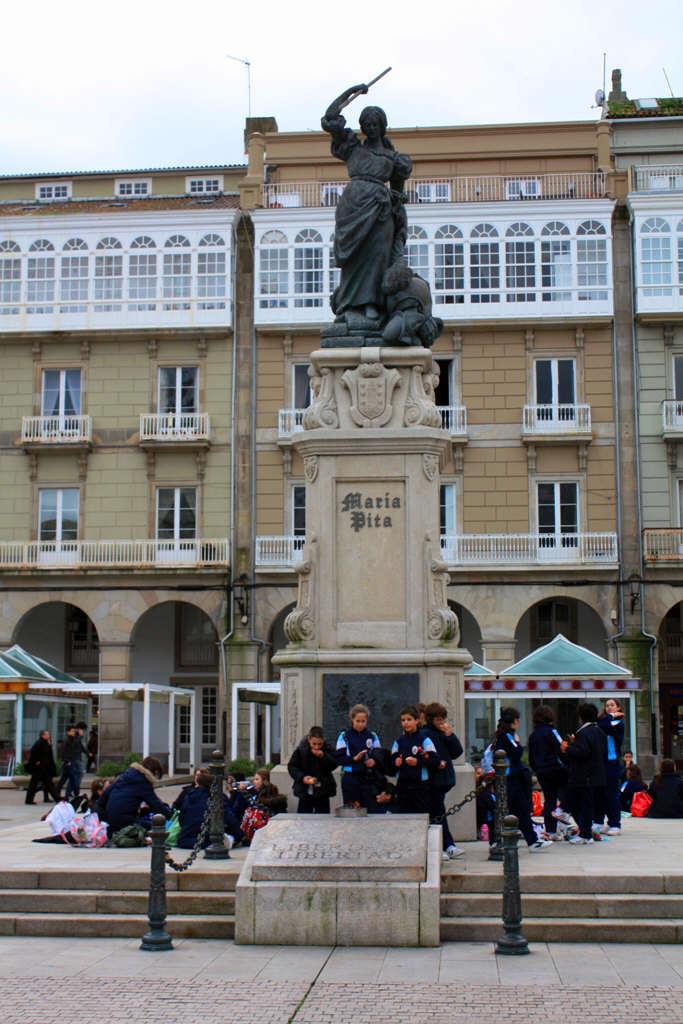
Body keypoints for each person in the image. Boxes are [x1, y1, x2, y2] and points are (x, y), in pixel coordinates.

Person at [321, 86, 412, 328]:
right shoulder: (352, 148)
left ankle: (372, 304)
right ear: (362, 127)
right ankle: (349, 305)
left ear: (382, 126)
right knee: (353, 259)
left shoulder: (394, 159)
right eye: (367, 124)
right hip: (352, 206)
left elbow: (398, 192)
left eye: (375, 124)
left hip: (380, 208)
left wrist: (398, 214)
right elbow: (330, 118)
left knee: (377, 256)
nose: (371, 128)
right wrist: (350, 94)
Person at [493, 707, 550, 852]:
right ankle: (496, 840)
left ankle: (532, 841)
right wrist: (517, 743)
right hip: (509, 778)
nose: (518, 722)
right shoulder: (506, 737)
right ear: (512, 722)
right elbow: (516, 753)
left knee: (521, 810)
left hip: (513, 779)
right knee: (506, 809)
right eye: (517, 720)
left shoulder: (505, 736)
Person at [422, 702, 465, 859]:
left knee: (438, 812)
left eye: (442, 719)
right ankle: (445, 845)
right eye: (438, 720)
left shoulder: (443, 734)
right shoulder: (426, 734)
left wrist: (450, 736)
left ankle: (447, 845)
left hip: (443, 780)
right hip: (433, 780)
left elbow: (456, 753)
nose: (441, 723)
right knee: (437, 812)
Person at [562, 703, 608, 844]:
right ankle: (585, 831)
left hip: (583, 775)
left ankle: (585, 834)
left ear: (581, 717)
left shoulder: (583, 732)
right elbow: (602, 752)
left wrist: (567, 748)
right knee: (587, 804)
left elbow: (582, 752)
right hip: (596, 774)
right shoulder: (599, 731)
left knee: (580, 804)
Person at [97, 756, 171, 836]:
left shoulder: (125, 776)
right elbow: (156, 804)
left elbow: (102, 799)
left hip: (110, 822)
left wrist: (105, 820)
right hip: (125, 822)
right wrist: (171, 815)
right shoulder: (143, 782)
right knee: (155, 826)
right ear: (155, 772)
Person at [528, 704, 567, 841]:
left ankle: (550, 831)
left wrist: (537, 768)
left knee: (549, 800)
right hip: (555, 768)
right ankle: (564, 821)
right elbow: (560, 748)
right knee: (566, 795)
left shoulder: (533, 735)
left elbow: (532, 757)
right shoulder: (552, 731)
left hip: (541, 770)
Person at [336, 703, 383, 812]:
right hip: (350, 778)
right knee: (352, 811)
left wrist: (374, 761)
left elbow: (379, 754)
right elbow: (339, 758)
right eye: (358, 721)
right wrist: (354, 759)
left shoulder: (372, 736)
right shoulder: (344, 736)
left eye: (363, 721)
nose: (360, 724)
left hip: (368, 779)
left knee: (370, 811)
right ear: (352, 720)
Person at [177, 770, 241, 849]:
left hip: (187, 837)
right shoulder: (217, 797)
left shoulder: (189, 796)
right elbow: (230, 818)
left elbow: (181, 818)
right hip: (209, 836)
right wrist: (239, 835)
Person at [391, 705, 437, 814]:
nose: (406, 723)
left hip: (420, 786)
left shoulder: (425, 740)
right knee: (403, 817)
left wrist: (418, 762)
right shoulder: (398, 741)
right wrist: (395, 762)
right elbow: (392, 762)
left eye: (409, 719)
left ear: (416, 721)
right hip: (402, 785)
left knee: (421, 815)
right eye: (403, 720)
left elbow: (435, 761)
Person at [288, 726, 338, 814]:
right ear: (309, 739)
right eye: (314, 744)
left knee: (323, 817)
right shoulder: (301, 750)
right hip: (305, 790)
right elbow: (292, 766)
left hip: (323, 790)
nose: (316, 747)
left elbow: (334, 764)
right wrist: (303, 777)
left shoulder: (328, 749)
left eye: (319, 744)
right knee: (304, 817)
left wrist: (323, 756)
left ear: (323, 741)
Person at [597, 698, 625, 835]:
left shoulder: (618, 723)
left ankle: (615, 824)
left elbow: (605, 726)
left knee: (612, 795)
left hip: (612, 762)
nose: (609, 707)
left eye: (612, 705)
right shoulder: (605, 720)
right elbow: (600, 724)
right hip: (601, 762)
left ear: (618, 708)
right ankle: (600, 822)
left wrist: (611, 716)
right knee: (600, 794)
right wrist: (610, 716)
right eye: (607, 706)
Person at [25, 730, 59, 805]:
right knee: (33, 784)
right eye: (47, 734)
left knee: (49, 784)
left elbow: (48, 755)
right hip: (39, 768)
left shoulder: (46, 743)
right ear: (42, 735)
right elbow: (33, 753)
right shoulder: (39, 743)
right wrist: (36, 762)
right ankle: (29, 800)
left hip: (44, 769)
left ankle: (57, 799)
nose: (48, 735)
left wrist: (50, 745)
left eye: (48, 734)